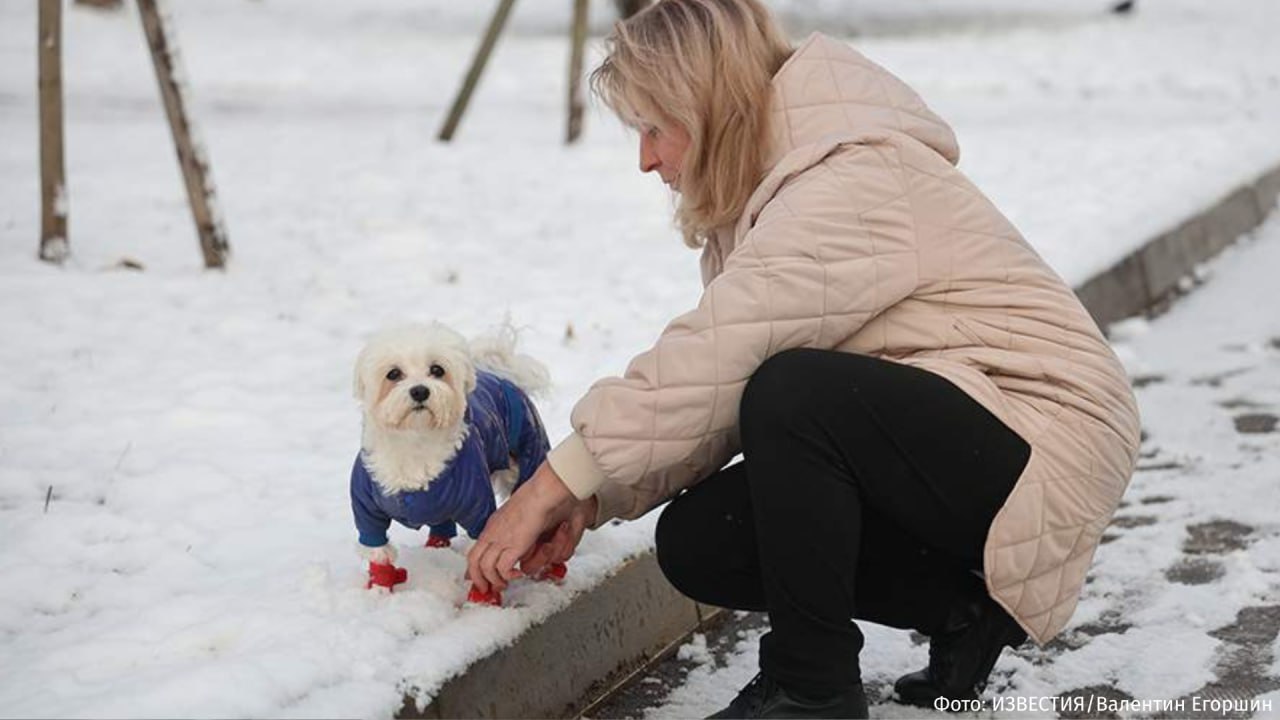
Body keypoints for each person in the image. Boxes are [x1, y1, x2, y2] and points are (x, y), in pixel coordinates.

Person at [465, 0, 1141, 717]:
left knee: (793, 394)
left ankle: (812, 687)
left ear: (703, 102)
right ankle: (963, 615)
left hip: (1046, 426)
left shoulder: (848, 174)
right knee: (700, 539)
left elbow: (720, 354)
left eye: (653, 128)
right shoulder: (773, 183)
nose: (646, 159)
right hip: (960, 418)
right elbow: (720, 394)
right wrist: (592, 498)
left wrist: (547, 485)